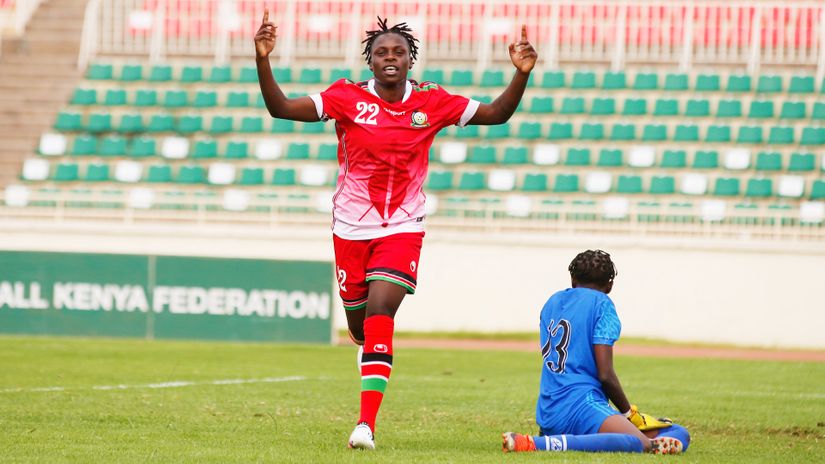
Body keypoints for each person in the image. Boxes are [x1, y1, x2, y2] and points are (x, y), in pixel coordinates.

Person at [254, 11, 537, 450]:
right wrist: (263, 60)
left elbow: (497, 114)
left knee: (382, 311)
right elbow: (280, 108)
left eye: (399, 52)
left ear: (410, 60)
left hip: (403, 225)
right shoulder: (345, 97)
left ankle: (365, 425)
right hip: (350, 228)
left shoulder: (433, 101)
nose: (391, 57)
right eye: (382, 52)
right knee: (362, 324)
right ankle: (366, 344)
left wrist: (519, 75)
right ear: (370, 62)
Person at [502, 249, 691, 454]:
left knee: (677, 432)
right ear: (609, 285)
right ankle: (535, 444)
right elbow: (605, 374)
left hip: (549, 412)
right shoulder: (603, 305)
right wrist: (629, 414)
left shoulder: (552, 302)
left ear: (573, 279)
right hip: (583, 405)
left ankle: (555, 440)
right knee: (641, 443)